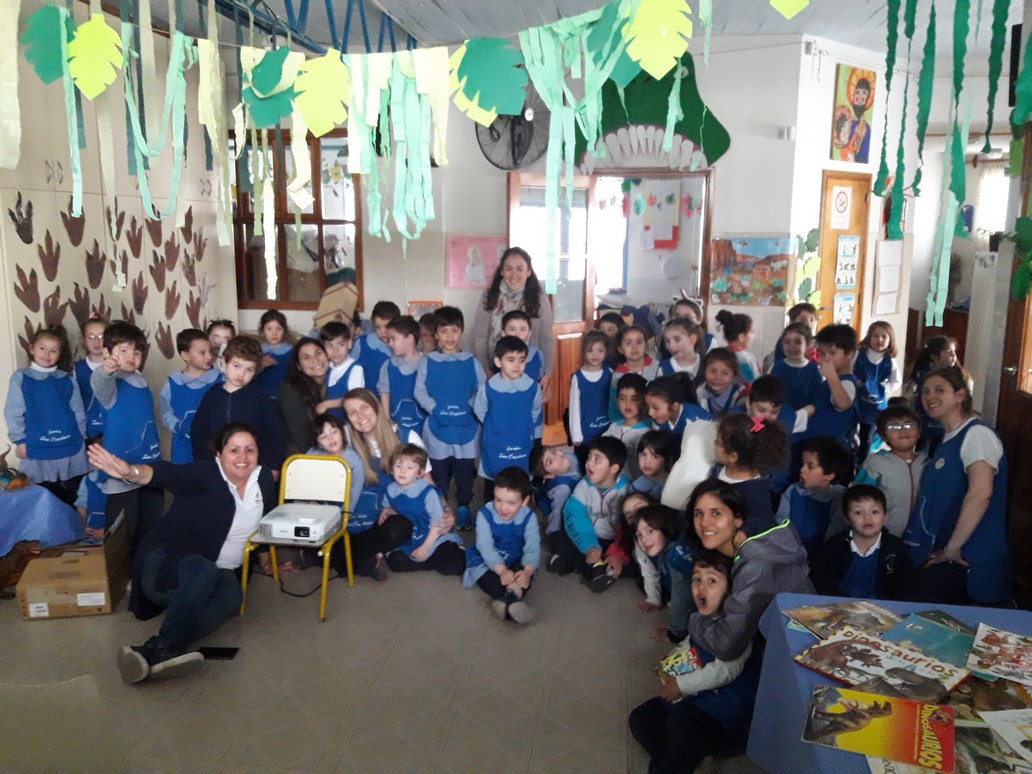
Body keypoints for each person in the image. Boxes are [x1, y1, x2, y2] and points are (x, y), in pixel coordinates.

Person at [87, 422, 278, 684]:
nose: (242, 457)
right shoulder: (204, 475)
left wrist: (266, 562)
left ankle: (154, 650)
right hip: (165, 564)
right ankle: (166, 649)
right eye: (234, 450)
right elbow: (165, 473)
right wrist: (130, 472)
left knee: (232, 596)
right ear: (219, 454)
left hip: (216, 570)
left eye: (249, 450)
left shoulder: (263, 479)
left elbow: (265, 522)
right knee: (204, 571)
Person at [629, 550, 759, 774]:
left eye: (712, 581)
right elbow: (690, 645)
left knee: (680, 725)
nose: (701, 587)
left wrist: (681, 685)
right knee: (641, 718)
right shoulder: (699, 618)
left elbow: (724, 671)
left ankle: (670, 766)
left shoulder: (739, 629)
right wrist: (672, 662)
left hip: (720, 709)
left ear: (730, 590)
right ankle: (686, 762)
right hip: (693, 698)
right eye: (696, 579)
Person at [902, 366, 1012, 605]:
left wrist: (952, 548)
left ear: (960, 395)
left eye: (939, 390)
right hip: (948, 554)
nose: (930, 396)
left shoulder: (977, 435)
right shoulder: (946, 440)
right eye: (925, 391)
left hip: (971, 556)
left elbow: (980, 493)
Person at [686, 479, 814, 662]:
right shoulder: (756, 544)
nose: (704, 522)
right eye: (698, 514)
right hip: (783, 639)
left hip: (801, 654)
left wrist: (693, 620)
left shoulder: (755, 564)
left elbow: (726, 645)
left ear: (737, 520)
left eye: (716, 513)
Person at [342, 389, 437, 580]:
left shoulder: (407, 436)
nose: (360, 416)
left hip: (395, 511)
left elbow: (427, 480)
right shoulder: (346, 438)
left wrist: (444, 512)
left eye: (364, 407)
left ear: (376, 407)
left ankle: (351, 558)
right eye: (352, 412)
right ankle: (361, 558)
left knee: (399, 528)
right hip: (362, 511)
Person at [90, 321, 162, 541]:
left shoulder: (139, 378)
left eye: (136, 352)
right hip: (119, 470)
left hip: (149, 465)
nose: (131, 356)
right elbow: (100, 383)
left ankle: (146, 561)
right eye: (123, 350)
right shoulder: (109, 382)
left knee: (150, 527)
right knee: (122, 534)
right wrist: (106, 370)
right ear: (107, 353)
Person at [414, 306, 485, 529]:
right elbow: (419, 391)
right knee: (439, 472)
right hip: (438, 426)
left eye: (454, 330)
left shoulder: (471, 361)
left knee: (465, 472)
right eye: (444, 331)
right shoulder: (428, 361)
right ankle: (441, 508)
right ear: (436, 334)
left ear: (461, 331)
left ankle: (464, 507)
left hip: (466, 426)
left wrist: (468, 407)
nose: (449, 336)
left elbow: (481, 390)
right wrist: (435, 409)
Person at [4, 325, 89, 506]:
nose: (47, 354)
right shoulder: (21, 378)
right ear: (32, 348)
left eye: (53, 350)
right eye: (42, 348)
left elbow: (78, 411)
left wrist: (82, 437)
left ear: (59, 354)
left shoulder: (67, 379)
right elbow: (13, 412)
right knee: (43, 494)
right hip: (37, 445)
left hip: (70, 444)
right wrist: (20, 440)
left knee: (75, 492)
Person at [191, 336, 286, 473]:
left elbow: (275, 433)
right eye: (236, 366)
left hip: (253, 469)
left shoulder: (261, 396)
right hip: (217, 468)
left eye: (249, 369)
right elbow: (199, 431)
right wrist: (203, 462)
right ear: (224, 361)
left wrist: (273, 466)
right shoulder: (213, 395)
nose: (241, 373)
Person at [462, 467, 541, 625]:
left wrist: (527, 571)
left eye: (511, 503)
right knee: (487, 576)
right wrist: (502, 570)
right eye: (498, 500)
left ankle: (506, 602)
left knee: (523, 576)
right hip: (488, 558)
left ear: (524, 501)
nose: (503, 508)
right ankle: (511, 601)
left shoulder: (529, 517)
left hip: (515, 555)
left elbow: (532, 546)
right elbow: (485, 546)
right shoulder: (484, 514)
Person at [550, 436, 630, 591]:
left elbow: (628, 529)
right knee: (556, 538)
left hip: (613, 542)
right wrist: (590, 547)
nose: (589, 463)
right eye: (589, 457)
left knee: (632, 561)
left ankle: (578, 564)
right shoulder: (583, 485)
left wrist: (616, 553)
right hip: (587, 537)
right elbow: (575, 517)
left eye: (597, 459)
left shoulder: (626, 490)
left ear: (613, 468)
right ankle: (597, 570)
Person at [472, 246, 554, 396]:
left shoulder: (539, 298)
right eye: (509, 269)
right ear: (502, 271)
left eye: (519, 269)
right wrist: (485, 369)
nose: (514, 274)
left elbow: (546, 338)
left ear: (528, 271)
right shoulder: (489, 295)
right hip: (495, 365)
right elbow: (480, 336)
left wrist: (547, 373)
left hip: (528, 365)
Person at [812, 484, 911, 599]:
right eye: (858, 512)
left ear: (885, 516)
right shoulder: (832, 548)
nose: (867, 518)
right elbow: (822, 584)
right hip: (838, 605)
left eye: (874, 512)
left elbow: (904, 588)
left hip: (883, 606)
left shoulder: (896, 548)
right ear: (846, 518)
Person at [379, 444, 465, 576]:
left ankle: (439, 554)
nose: (402, 471)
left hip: (431, 534)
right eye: (398, 466)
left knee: (455, 566)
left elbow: (438, 522)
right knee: (395, 562)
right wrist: (387, 510)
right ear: (391, 469)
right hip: (410, 536)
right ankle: (430, 561)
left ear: (420, 472)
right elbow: (389, 508)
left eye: (409, 468)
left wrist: (425, 548)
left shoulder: (428, 492)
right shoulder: (390, 490)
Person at [474, 336, 542, 486]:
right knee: (494, 480)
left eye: (521, 360)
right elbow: (479, 409)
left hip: (521, 437)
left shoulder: (532, 387)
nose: (517, 365)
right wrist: (494, 424)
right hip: (496, 440)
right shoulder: (488, 388)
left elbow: (535, 409)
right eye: (511, 360)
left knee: (520, 478)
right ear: (498, 362)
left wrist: (525, 424)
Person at [855, 404, 928, 537]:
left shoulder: (927, 463)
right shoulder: (875, 463)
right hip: (884, 535)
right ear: (883, 435)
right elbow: (858, 498)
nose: (903, 430)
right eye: (894, 427)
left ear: (919, 432)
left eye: (909, 425)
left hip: (921, 536)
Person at [776, 436, 851, 558]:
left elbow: (834, 533)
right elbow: (781, 522)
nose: (802, 470)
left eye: (810, 466)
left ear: (830, 474)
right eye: (802, 464)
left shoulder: (839, 497)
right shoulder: (793, 491)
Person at [711, 413, 789, 529]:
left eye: (718, 443)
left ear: (733, 457)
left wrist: (744, 530)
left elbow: (764, 525)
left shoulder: (755, 494)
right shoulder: (718, 468)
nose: (713, 443)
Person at [159, 329, 220, 463]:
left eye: (210, 351)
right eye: (202, 353)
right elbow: (166, 413)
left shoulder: (220, 379)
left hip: (214, 447)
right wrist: (178, 426)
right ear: (185, 355)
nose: (209, 356)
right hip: (183, 448)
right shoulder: (172, 383)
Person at [277, 337, 337, 457]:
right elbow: (302, 438)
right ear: (299, 366)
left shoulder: (337, 380)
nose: (315, 360)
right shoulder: (291, 390)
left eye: (318, 353)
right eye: (306, 357)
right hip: (304, 457)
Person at [853, 321, 902, 463]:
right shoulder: (859, 354)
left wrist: (884, 388)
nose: (879, 339)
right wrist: (855, 383)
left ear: (890, 340)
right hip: (856, 401)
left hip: (875, 406)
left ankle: (862, 464)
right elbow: (849, 371)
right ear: (869, 337)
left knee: (866, 437)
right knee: (850, 431)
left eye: (884, 336)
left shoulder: (889, 361)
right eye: (875, 335)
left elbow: (896, 381)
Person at [810, 324, 860, 452]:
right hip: (818, 443)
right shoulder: (831, 380)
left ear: (849, 354)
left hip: (833, 448)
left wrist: (831, 376)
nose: (826, 358)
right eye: (822, 353)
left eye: (833, 353)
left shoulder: (846, 382)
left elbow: (843, 404)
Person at [377, 315, 427, 437]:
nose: (390, 343)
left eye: (393, 339)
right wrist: (387, 422)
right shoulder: (388, 366)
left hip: (424, 429)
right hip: (397, 429)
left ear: (409, 338)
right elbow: (385, 394)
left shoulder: (428, 364)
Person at [602, 373, 651, 480]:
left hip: (636, 484)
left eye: (635, 399)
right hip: (613, 482)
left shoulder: (647, 431)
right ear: (616, 401)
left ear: (644, 401)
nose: (628, 404)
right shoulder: (613, 427)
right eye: (622, 398)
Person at [569, 331, 612, 451]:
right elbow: (574, 408)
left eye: (600, 350)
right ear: (583, 352)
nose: (595, 355)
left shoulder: (610, 373)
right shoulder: (577, 377)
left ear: (606, 351)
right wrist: (576, 435)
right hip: (585, 435)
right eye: (590, 350)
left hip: (607, 432)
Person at [644, 376, 713, 448]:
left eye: (656, 408)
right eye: (648, 406)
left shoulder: (694, 420)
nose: (650, 413)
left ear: (674, 406)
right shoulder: (661, 420)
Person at [530, 443, 581, 536]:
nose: (557, 456)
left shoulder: (567, 455)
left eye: (553, 451)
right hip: (552, 503)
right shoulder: (562, 489)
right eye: (550, 461)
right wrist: (554, 533)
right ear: (549, 475)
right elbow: (557, 512)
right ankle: (537, 493)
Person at [769, 323, 822, 410]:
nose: (792, 346)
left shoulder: (814, 369)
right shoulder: (777, 367)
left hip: (807, 415)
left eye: (798, 342)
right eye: (787, 342)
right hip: (780, 415)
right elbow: (769, 395)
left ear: (808, 345)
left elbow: (817, 398)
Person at [351, 301, 398, 398]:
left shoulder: (401, 347)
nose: (382, 332)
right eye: (378, 327)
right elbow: (350, 372)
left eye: (386, 326)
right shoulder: (361, 343)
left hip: (392, 401)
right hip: (365, 400)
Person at [319, 320, 364, 420]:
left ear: (349, 344)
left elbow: (355, 398)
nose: (335, 350)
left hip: (349, 423)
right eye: (329, 346)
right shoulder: (328, 367)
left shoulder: (355, 368)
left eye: (341, 344)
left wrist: (326, 404)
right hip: (332, 422)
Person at [74, 317, 108, 438]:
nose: (96, 342)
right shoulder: (75, 370)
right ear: (83, 340)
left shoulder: (119, 367)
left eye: (101, 337)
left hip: (115, 429)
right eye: (91, 337)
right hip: (87, 432)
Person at [499, 310, 545, 386]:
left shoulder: (537, 355)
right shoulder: (499, 355)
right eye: (512, 329)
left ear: (529, 333)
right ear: (503, 333)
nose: (517, 334)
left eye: (522, 329)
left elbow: (539, 378)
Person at [696, 348, 746, 416]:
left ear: (733, 375)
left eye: (725, 373)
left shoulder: (742, 396)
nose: (718, 378)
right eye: (713, 371)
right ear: (704, 370)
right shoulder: (700, 392)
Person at [254, 309, 292, 398]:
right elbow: (249, 374)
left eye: (279, 329)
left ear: (284, 331)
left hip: (284, 397)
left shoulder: (291, 351)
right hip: (261, 396)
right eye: (269, 329)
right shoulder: (257, 350)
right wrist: (261, 365)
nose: (274, 333)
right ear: (262, 330)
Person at [715, 310, 758, 384]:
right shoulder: (745, 358)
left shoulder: (717, 355)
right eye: (752, 332)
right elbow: (753, 383)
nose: (754, 336)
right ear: (741, 337)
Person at [633, 430, 677, 501]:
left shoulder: (675, 484)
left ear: (668, 458)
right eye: (644, 454)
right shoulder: (636, 487)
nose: (647, 462)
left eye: (655, 456)